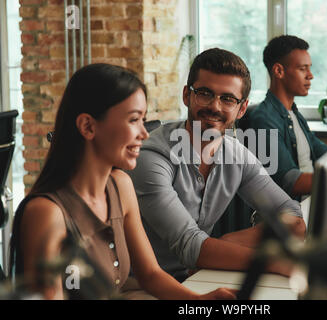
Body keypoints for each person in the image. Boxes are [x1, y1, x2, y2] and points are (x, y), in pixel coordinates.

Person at [8, 63, 235, 300]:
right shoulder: (47, 212)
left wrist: (200, 301)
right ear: (88, 126)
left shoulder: (120, 186)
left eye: (143, 119)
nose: (144, 133)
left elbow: (150, 274)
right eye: (134, 120)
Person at [128, 48, 306, 283]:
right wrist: (273, 263)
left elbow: (293, 218)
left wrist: (225, 243)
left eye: (228, 99)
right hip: (146, 286)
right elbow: (190, 246)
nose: (214, 106)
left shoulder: (236, 154)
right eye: (204, 93)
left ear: (241, 109)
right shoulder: (151, 158)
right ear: (186, 95)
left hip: (203, 275)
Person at [248, 35, 327, 200]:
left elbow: (323, 153)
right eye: (302, 68)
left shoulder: (293, 113)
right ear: (279, 71)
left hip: (313, 201)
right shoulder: (262, 120)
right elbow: (290, 182)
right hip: (295, 214)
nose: (310, 75)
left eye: (310, 68)